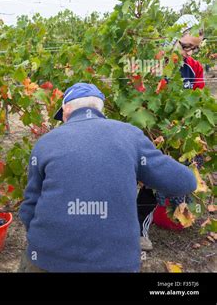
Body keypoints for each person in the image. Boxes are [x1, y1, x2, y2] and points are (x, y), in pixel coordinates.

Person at [18, 83, 196, 272]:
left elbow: (29, 207)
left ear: (66, 110)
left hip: (48, 260)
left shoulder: (45, 143)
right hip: (117, 264)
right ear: (100, 110)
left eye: (61, 115)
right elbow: (185, 182)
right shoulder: (130, 135)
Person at [137, 14, 205, 251]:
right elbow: (144, 95)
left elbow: (198, 99)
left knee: (184, 171)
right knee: (147, 181)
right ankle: (140, 232)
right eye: (186, 46)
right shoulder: (156, 63)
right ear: (174, 39)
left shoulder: (194, 67)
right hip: (153, 129)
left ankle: (178, 213)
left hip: (180, 131)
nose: (190, 53)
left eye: (195, 48)